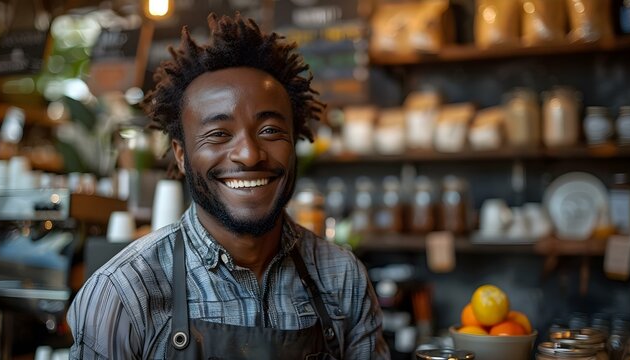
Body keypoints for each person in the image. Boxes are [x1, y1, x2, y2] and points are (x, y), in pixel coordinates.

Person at [67, 13, 389, 359]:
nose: (249, 154)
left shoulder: (342, 278)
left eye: (270, 131)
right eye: (219, 134)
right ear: (181, 154)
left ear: (294, 141)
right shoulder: (125, 291)